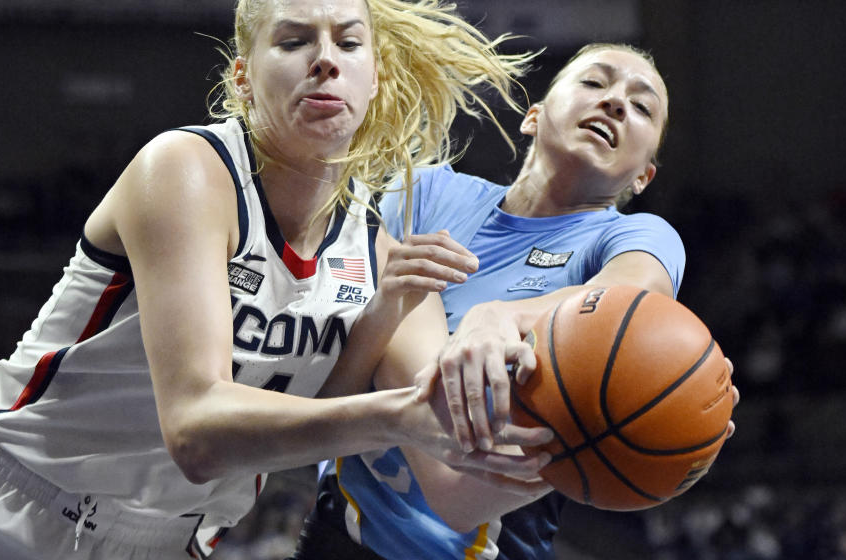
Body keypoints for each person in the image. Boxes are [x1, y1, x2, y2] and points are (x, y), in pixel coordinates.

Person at [0, 0, 553, 559]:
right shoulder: (186, 173)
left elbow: (456, 486)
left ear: (374, 79)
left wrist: (564, 432)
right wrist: (397, 416)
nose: (326, 60)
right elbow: (198, 432)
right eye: (294, 42)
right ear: (242, 75)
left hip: (172, 541)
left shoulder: (386, 260)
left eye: (349, 44)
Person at [291, 43, 737, 560]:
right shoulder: (426, 191)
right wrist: (387, 310)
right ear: (534, 116)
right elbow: (324, 400)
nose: (616, 103)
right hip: (338, 538)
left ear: (643, 177)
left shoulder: (638, 235)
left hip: (489, 544)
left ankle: (458, 475)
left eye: (641, 107)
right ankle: (449, 467)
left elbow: (632, 301)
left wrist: (497, 316)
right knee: (407, 290)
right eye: (595, 83)